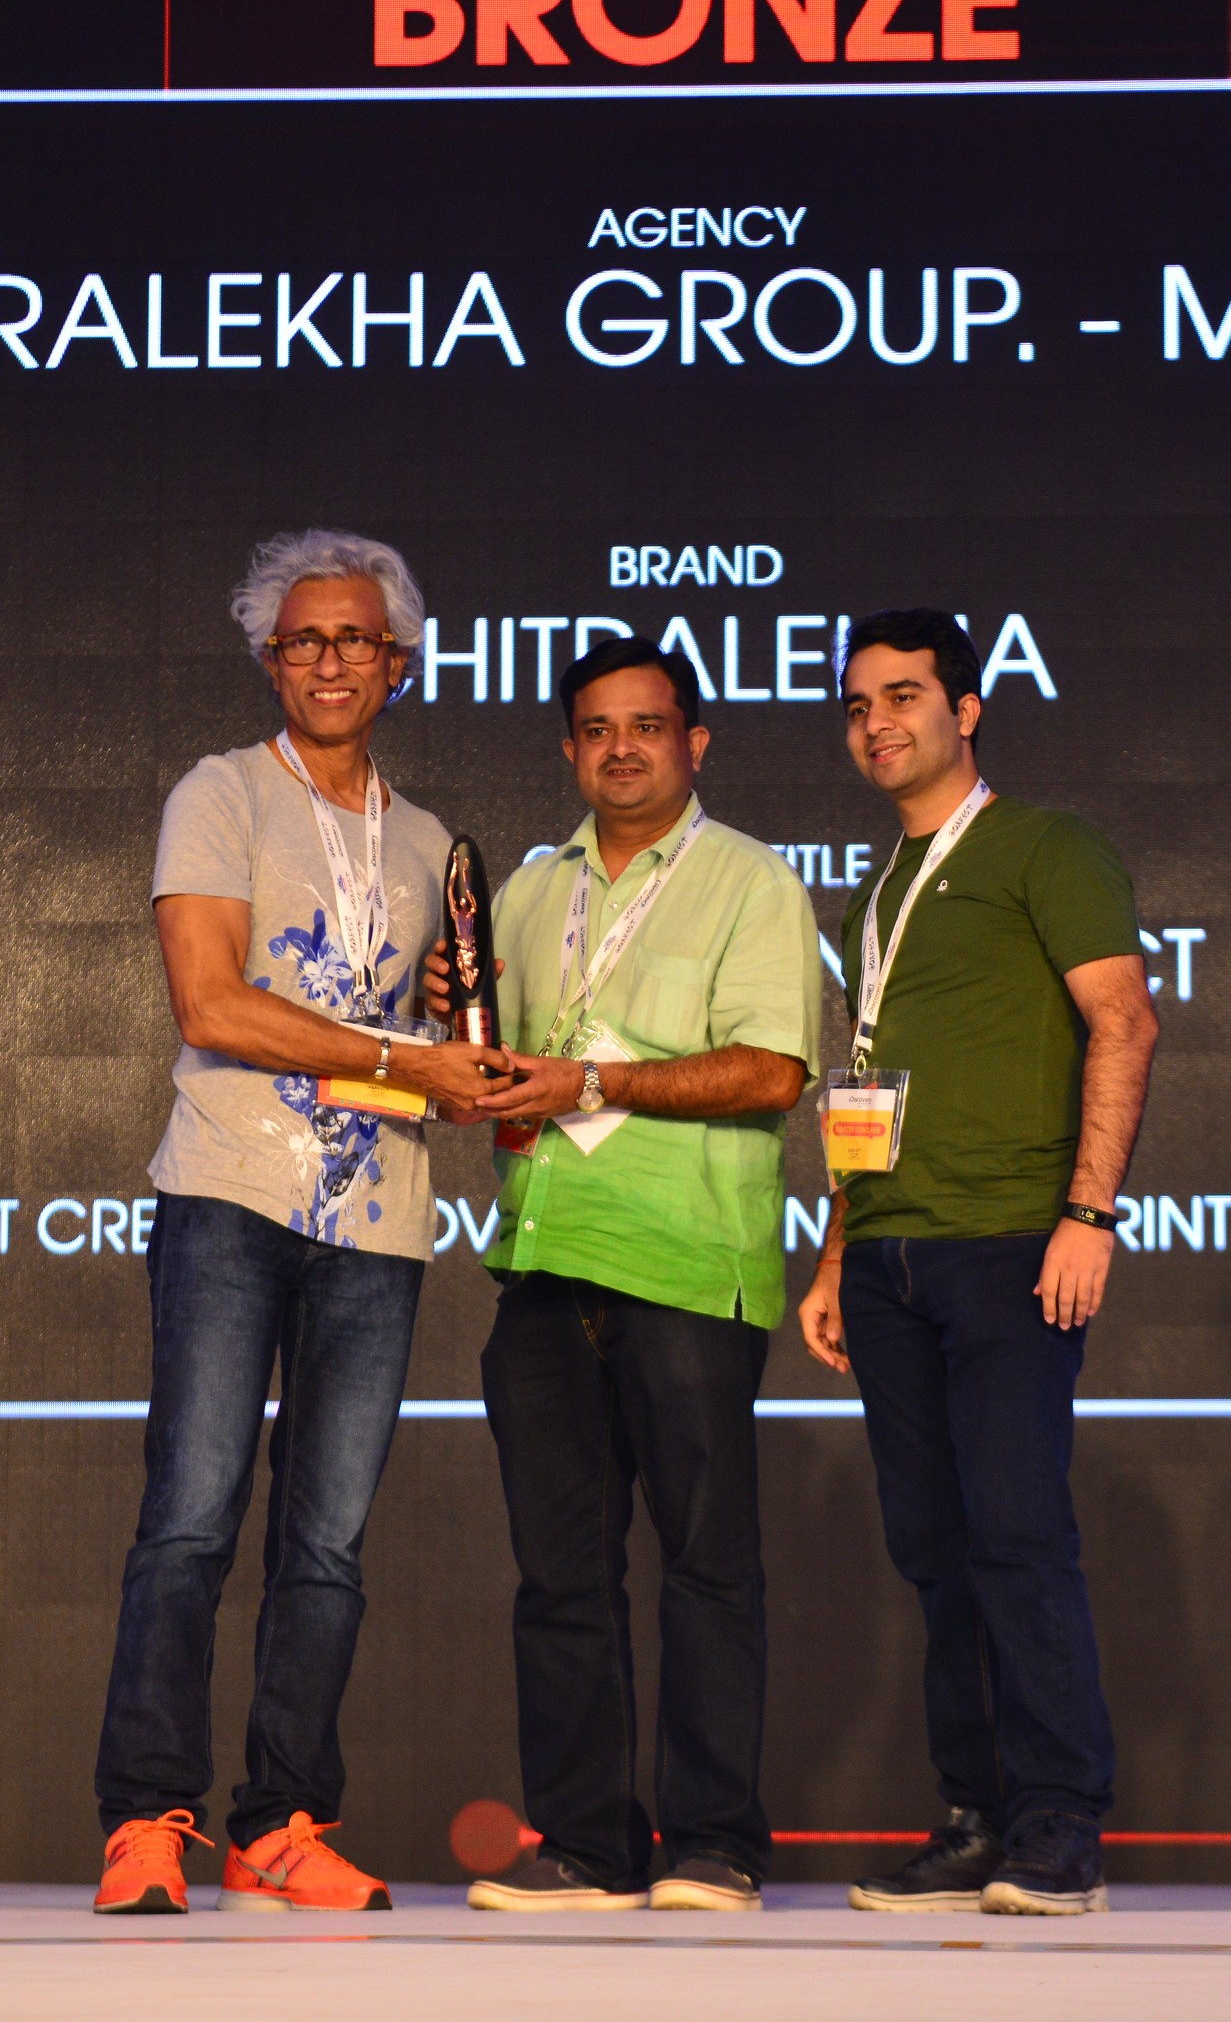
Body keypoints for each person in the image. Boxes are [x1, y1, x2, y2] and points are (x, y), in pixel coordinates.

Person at [91, 530, 509, 1917]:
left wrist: (460, 1046)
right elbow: (209, 1004)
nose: (330, 661)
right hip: (229, 1192)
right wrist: (404, 1056)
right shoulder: (219, 794)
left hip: (377, 1221)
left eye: (355, 640)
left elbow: (446, 1051)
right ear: (272, 662)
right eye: (303, 640)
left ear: (399, 664)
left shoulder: (432, 844)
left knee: (326, 1545)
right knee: (189, 1520)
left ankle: (279, 1821)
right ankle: (145, 1817)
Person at [427, 636, 822, 1913]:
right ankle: (589, 1846)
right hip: (544, 1260)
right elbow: (493, 1076)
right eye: (596, 728)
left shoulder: (749, 880)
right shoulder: (527, 893)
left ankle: (713, 1842)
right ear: (567, 748)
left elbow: (769, 1070)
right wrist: (453, 1018)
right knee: (559, 1577)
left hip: (686, 1262)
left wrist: (591, 1079)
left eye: (647, 725)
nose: (621, 748)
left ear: (693, 742)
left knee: (706, 1566)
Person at [797, 608, 1159, 1917]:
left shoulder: (1044, 846)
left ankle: (1059, 1823)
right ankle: (972, 1815)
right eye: (856, 704)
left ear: (966, 708)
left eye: (902, 695)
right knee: (933, 1549)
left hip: (1010, 1244)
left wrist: (1088, 1212)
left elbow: (1123, 1020)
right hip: (888, 1258)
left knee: (1014, 1534)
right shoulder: (873, 892)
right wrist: (835, 1254)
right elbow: (866, 1086)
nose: (875, 722)